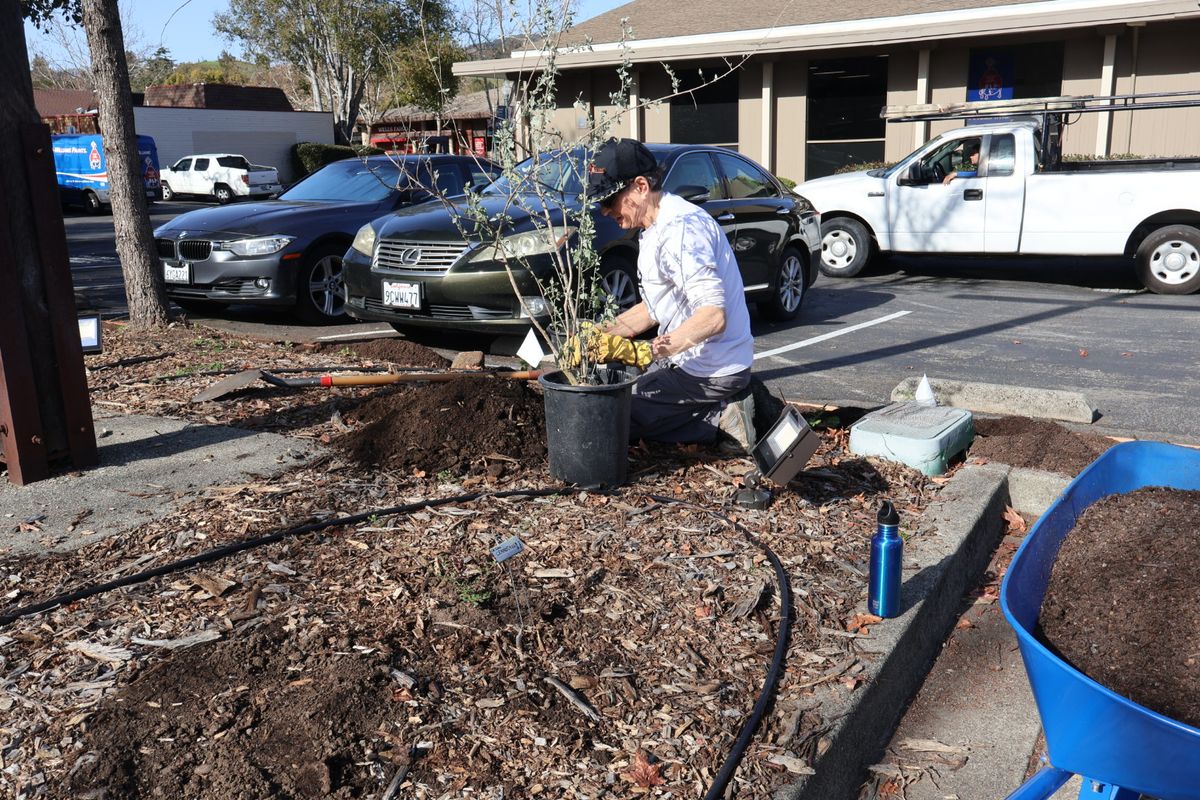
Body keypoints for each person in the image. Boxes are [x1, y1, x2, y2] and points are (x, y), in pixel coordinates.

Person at [586, 137, 757, 454]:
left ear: (640, 186)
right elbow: (654, 309)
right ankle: (711, 409)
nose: (606, 210)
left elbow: (713, 317)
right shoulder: (655, 226)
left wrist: (645, 352)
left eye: (610, 199)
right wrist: (600, 335)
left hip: (710, 370)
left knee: (611, 420)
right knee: (617, 396)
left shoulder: (680, 230)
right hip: (688, 363)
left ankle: (722, 417)